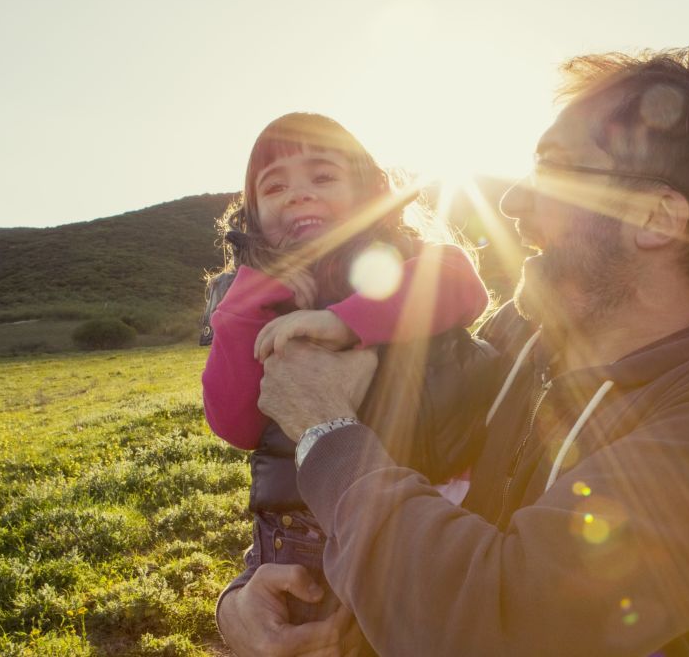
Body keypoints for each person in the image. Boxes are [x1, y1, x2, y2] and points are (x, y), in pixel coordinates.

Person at [217, 45, 689, 656]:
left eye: (556, 170)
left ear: (654, 218)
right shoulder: (522, 330)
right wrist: (245, 599)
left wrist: (325, 429)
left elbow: (495, 625)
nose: (514, 203)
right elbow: (403, 469)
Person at [201, 113, 494, 633]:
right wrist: (245, 305)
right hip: (298, 541)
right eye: (276, 186)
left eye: (323, 176)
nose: (298, 194)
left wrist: (344, 321)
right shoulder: (250, 299)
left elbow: (461, 285)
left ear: (369, 191)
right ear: (253, 214)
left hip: (427, 511)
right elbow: (234, 424)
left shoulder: (409, 258)